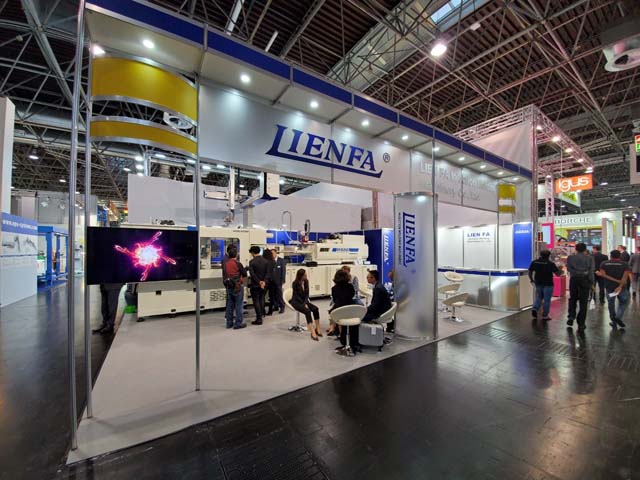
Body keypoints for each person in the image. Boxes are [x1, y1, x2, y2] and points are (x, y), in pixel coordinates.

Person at [598, 250, 632, 329]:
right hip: (622, 288)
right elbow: (625, 277)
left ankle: (613, 321)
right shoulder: (625, 264)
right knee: (623, 303)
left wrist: (615, 281)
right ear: (620, 256)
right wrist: (620, 286)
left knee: (611, 304)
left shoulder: (604, 263)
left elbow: (603, 275)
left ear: (611, 256)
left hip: (609, 287)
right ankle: (618, 317)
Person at [566, 243, 594, 331]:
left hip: (574, 279)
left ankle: (571, 316)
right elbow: (591, 271)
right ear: (585, 249)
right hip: (585, 280)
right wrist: (592, 282)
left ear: (576, 249)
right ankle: (581, 323)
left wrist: (576, 272)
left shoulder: (570, 257)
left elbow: (568, 269)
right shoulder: (589, 258)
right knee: (583, 302)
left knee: (572, 298)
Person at [528, 250, 561, 321]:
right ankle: (545, 315)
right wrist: (559, 270)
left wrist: (531, 280)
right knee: (547, 300)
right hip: (548, 283)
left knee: (539, 296)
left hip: (538, 282)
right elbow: (558, 274)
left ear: (540, 254)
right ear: (549, 256)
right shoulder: (550, 263)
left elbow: (530, 271)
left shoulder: (535, 262)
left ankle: (535, 308)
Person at [290, 269, 322, 341]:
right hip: (296, 302)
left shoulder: (306, 281)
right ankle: (313, 332)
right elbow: (296, 296)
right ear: (300, 276)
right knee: (307, 311)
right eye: (304, 275)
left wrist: (305, 303)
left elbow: (307, 294)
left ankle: (318, 328)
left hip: (304, 301)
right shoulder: (295, 283)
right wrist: (304, 304)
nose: (306, 276)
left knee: (315, 309)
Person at [222, 246, 247, 329]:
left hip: (229, 286)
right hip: (238, 286)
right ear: (236, 255)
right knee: (238, 305)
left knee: (230, 305)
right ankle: (238, 323)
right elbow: (244, 274)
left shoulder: (225, 264)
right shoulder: (238, 264)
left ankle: (229, 323)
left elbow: (225, 275)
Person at [328, 268, 356, 338]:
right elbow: (352, 295)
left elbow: (335, 300)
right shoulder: (350, 286)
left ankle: (340, 334)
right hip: (350, 308)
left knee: (334, 311)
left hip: (339, 309)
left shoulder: (334, 289)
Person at [248, 246, 270, 325]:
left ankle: (259, 318)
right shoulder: (266, 261)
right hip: (264, 284)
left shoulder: (252, 262)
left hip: (255, 285)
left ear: (252, 252)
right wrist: (264, 282)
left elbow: (252, 274)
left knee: (256, 301)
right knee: (262, 299)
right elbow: (268, 273)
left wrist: (259, 282)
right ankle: (262, 314)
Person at [267, 248, 286, 315]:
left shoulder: (281, 261)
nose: (271, 255)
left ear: (276, 253)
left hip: (278, 281)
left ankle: (282, 306)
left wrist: (283, 280)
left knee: (279, 294)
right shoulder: (269, 261)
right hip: (271, 281)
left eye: (272, 253)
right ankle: (276, 306)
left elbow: (283, 271)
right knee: (273, 295)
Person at [262, 248, 276, 316]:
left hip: (265, 280)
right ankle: (270, 311)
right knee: (271, 297)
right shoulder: (273, 261)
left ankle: (263, 311)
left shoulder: (264, 262)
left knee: (262, 296)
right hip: (272, 280)